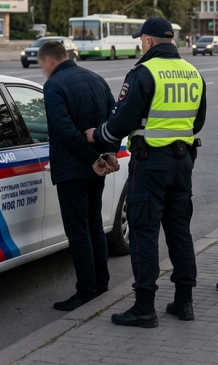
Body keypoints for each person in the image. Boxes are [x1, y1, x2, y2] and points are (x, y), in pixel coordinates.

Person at [86, 17, 206, 328]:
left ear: (149, 41)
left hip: (151, 163)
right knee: (179, 231)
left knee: (143, 231)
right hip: (183, 163)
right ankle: (184, 302)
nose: (141, 44)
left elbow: (121, 121)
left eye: (142, 39)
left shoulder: (143, 72)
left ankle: (144, 307)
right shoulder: (193, 72)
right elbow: (198, 121)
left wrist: (97, 136)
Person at [40, 40, 120, 312]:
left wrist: (92, 158)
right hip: (94, 168)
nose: (43, 70)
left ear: (49, 61)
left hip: (73, 168)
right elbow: (114, 119)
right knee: (94, 225)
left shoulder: (54, 85)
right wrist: (108, 152)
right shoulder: (96, 78)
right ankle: (101, 284)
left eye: (41, 65)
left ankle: (86, 291)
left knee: (78, 231)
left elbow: (63, 129)